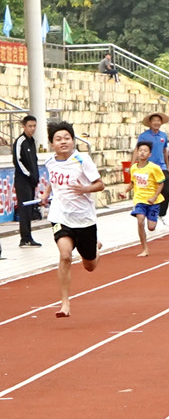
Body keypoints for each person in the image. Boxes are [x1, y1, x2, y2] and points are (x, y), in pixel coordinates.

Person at [39, 122, 105, 318]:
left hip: (84, 219)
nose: (63, 142)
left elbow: (100, 184)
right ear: (52, 143)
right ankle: (65, 304)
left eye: (67, 138)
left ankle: (95, 247)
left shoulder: (82, 160)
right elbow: (53, 179)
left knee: (90, 266)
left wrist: (85, 189)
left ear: (73, 141)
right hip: (60, 216)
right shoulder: (50, 161)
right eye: (58, 139)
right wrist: (46, 193)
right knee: (65, 256)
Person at [121, 141, 165, 257]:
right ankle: (145, 248)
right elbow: (132, 183)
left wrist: (154, 196)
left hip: (153, 201)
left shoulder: (154, 168)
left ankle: (155, 216)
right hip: (139, 200)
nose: (142, 153)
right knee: (140, 221)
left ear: (149, 154)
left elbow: (161, 184)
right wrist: (124, 191)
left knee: (151, 227)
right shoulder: (133, 168)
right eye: (140, 150)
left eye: (145, 151)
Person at [14, 115, 43, 248]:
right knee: (24, 208)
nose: (32, 129)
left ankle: (28, 236)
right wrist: (29, 174)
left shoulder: (33, 141)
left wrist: (35, 177)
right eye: (30, 126)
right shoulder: (20, 141)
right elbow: (17, 161)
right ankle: (24, 238)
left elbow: (34, 161)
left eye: (34, 126)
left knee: (30, 208)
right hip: (22, 180)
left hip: (31, 180)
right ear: (24, 126)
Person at [135, 112, 169, 218]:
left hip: (161, 166)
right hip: (148, 167)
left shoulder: (163, 135)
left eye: (158, 121)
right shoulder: (144, 136)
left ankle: (162, 213)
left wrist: (168, 166)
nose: (156, 123)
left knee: (166, 188)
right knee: (149, 189)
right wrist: (133, 164)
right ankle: (148, 211)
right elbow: (137, 150)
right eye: (154, 120)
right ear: (150, 123)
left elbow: (165, 151)